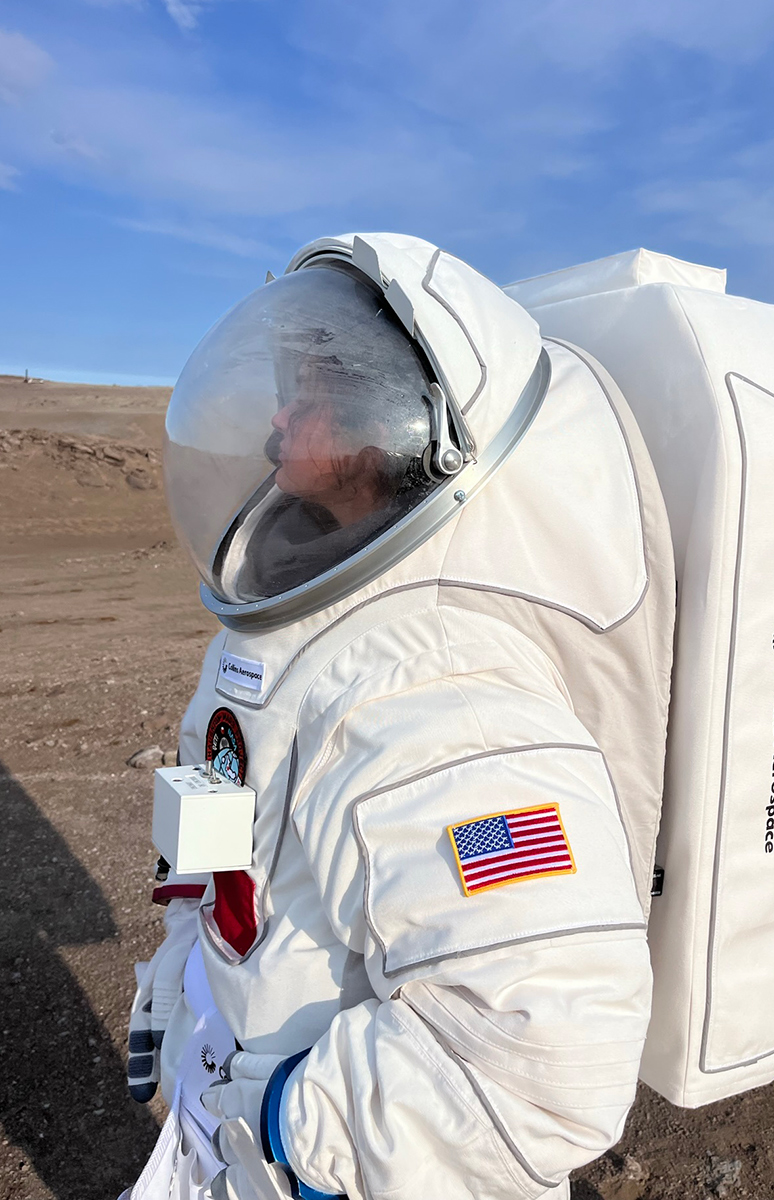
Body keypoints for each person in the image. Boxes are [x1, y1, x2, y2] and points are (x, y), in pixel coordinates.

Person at [124, 232, 675, 1200]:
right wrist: (177, 987)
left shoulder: (437, 681)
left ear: (402, 413)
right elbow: (214, 840)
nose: (277, 420)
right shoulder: (278, 623)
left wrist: (293, 1123)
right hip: (228, 1124)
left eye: (314, 388)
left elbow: (552, 1055)